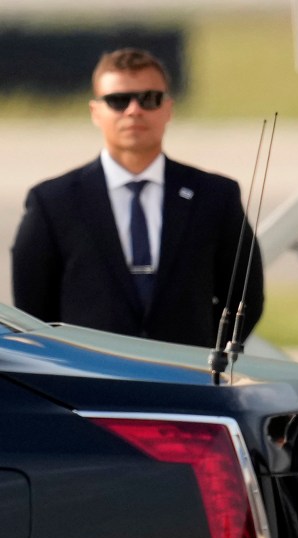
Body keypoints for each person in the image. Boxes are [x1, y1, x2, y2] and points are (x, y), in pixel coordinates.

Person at [12, 48, 263, 347]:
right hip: (89, 383)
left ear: (168, 108)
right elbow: (31, 309)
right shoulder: (52, 203)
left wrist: (209, 357)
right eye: (118, 101)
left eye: (149, 99)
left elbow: (245, 296)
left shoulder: (214, 196)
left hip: (187, 381)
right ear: (96, 111)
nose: (134, 110)